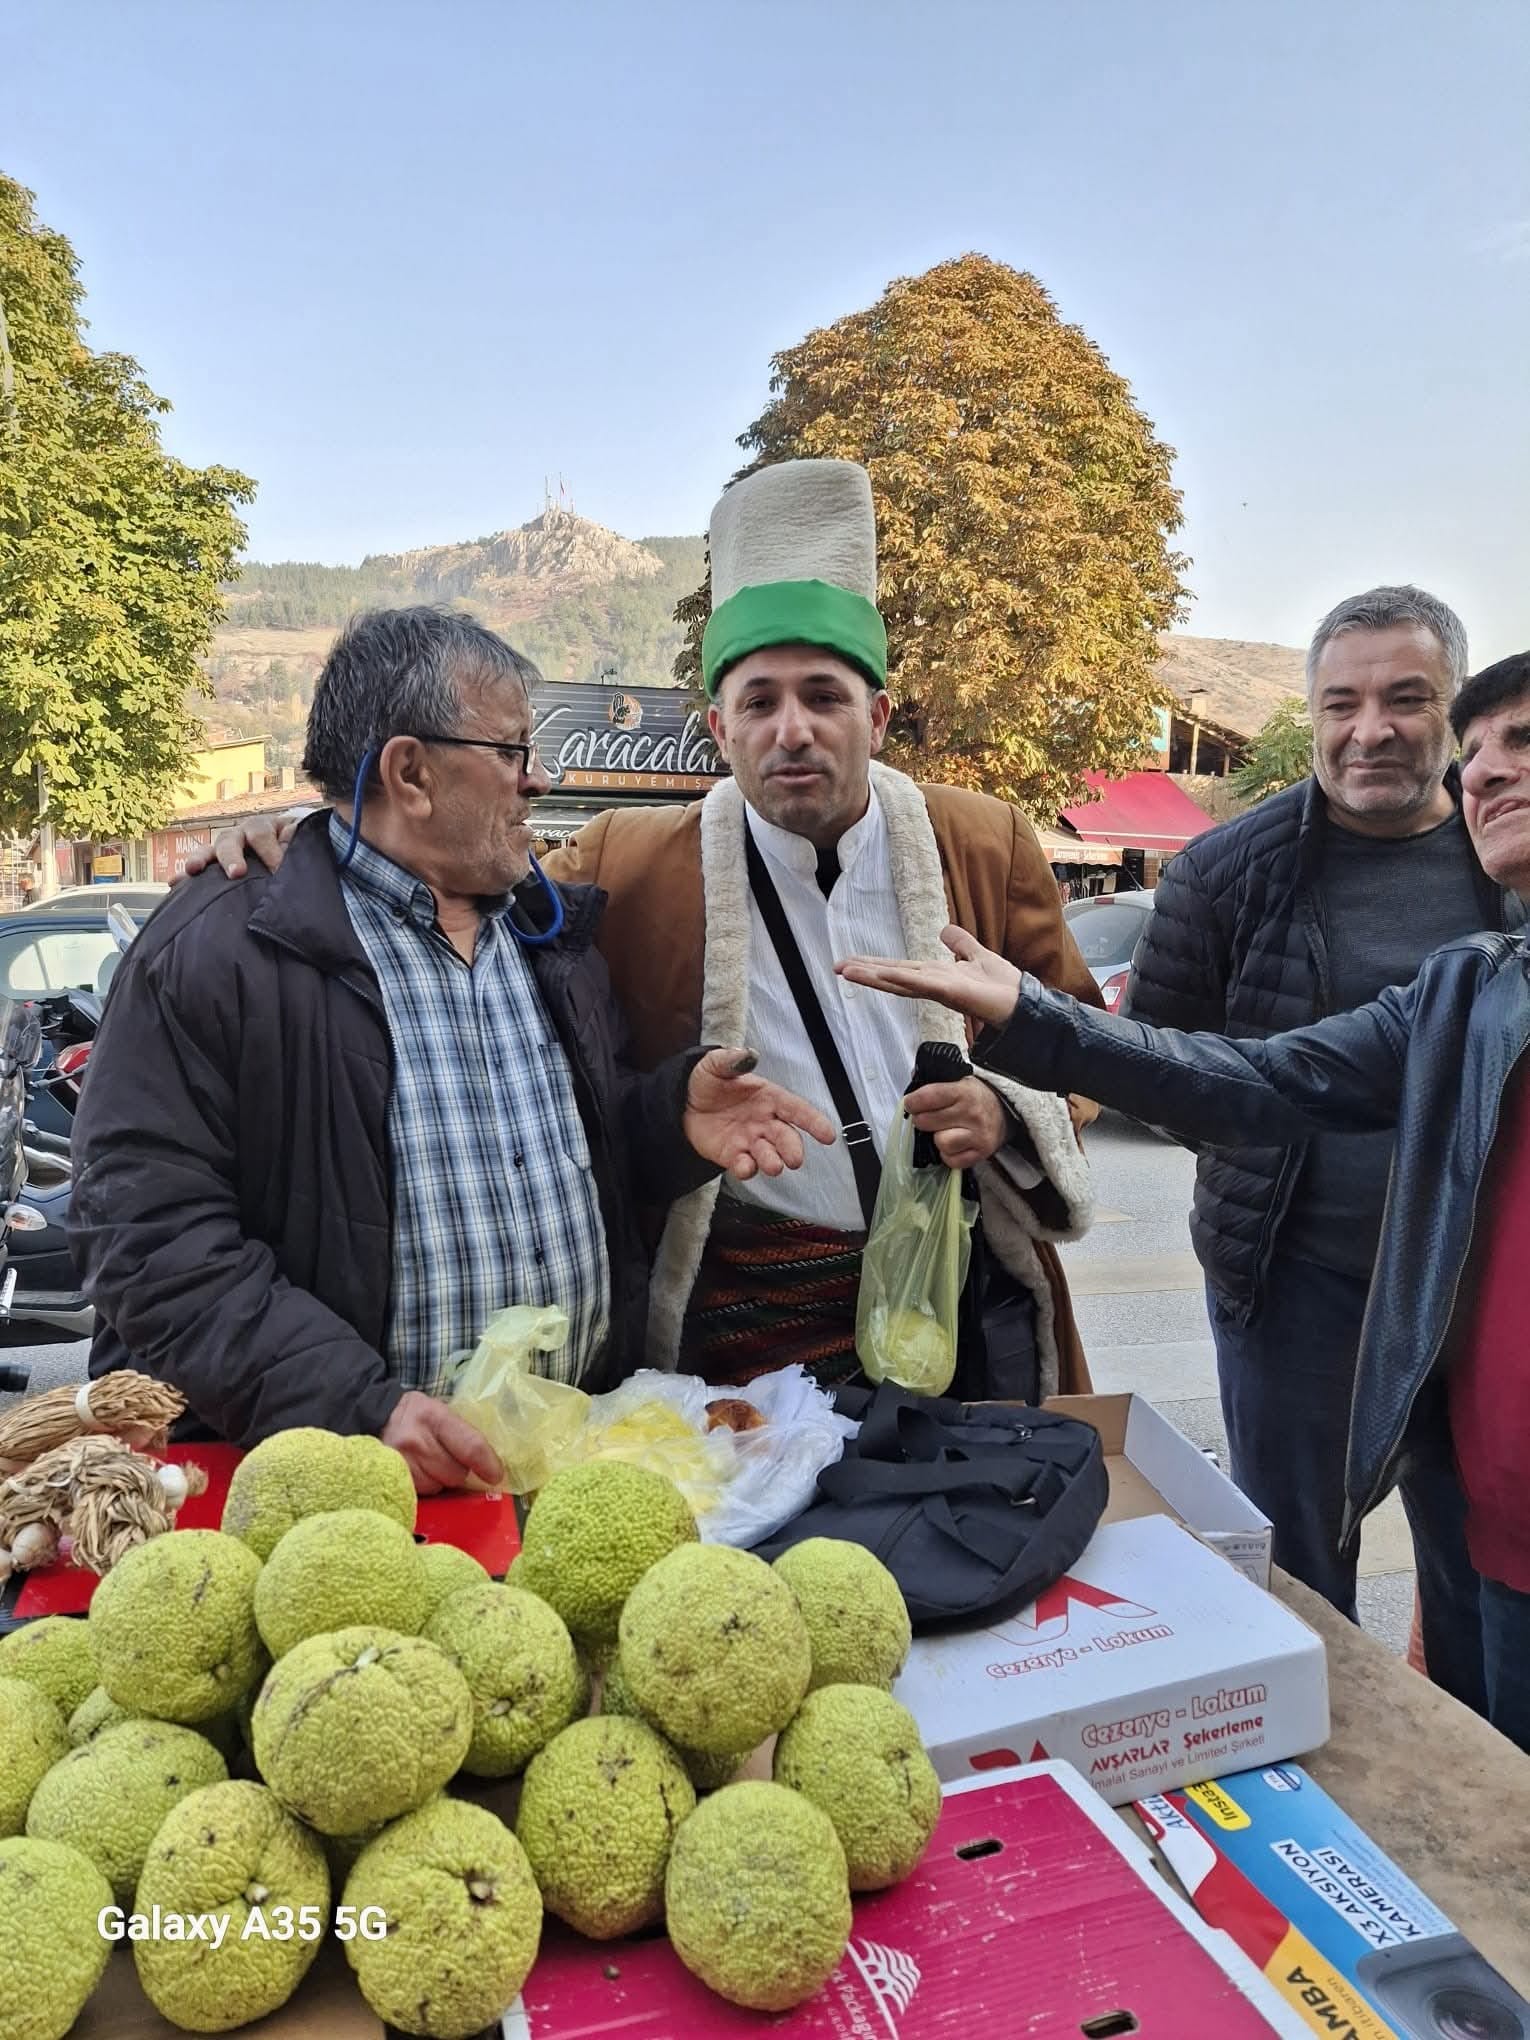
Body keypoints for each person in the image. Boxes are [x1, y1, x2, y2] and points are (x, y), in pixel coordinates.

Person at [199, 460, 1101, 1400]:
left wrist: (1004, 1113)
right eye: (759, 702)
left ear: (874, 715)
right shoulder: (624, 858)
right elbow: (441, 860)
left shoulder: (983, 844)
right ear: (717, 726)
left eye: (824, 697)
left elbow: (1081, 1054)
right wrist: (305, 839)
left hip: (949, 1298)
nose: (792, 729)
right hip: (747, 1319)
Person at [836, 648, 1530, 1751]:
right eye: (1482, 747)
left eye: (1517, 741)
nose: (1486, 770)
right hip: (1439, 1429)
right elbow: (1249, 1077)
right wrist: (1032, 1014)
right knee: (1462, 1721)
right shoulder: (1471, 991)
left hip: (1467, 1420)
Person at [69, 607, 834, 1493]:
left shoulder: (547, 936)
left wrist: (668, 1119)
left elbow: (577, 1153)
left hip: (569, 1474)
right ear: (411, 773)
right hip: (331, 1493)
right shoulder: (219, 948)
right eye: (512, 752)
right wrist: (357, 1408)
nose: (538, 780)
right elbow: (146, 1237)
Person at [1120, 586, 1515, 1619]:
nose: (1370, 731)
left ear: (1453, 713)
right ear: (1311, 712)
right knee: (1296, 1583)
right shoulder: (1223, 873)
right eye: (1341, 704)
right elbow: (1166, 1061)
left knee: (1479, 1574)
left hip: (1473, 1298)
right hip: (1294, 1288)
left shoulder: (1507, 861)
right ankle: (1306, 1779)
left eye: (1406, 700)